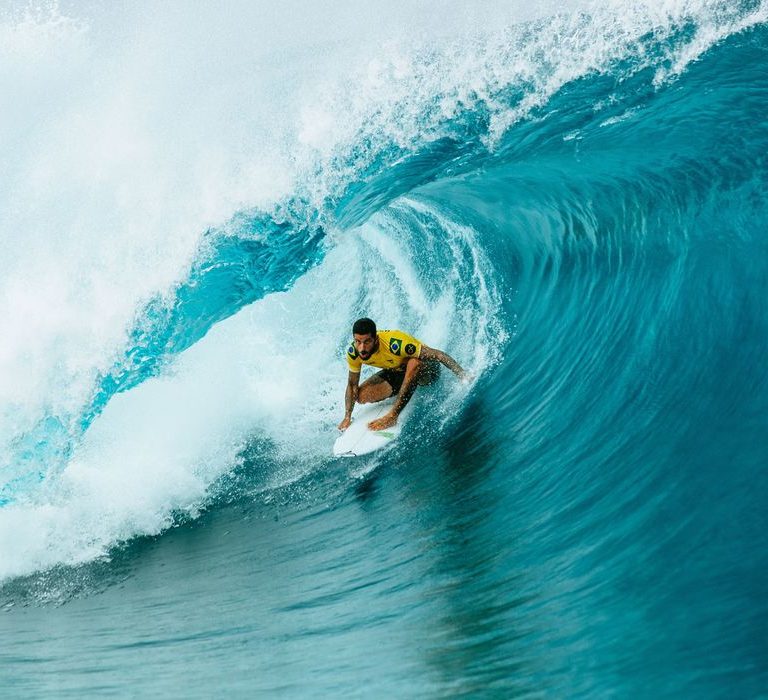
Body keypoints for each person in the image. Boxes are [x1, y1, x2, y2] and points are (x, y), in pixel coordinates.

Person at [338, 317, 468, 432]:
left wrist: (463, 375)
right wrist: (347, 416)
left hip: (427, 371)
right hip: (397, 371)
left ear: (376, 339)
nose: (362, 348)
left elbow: (438, 355)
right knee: (361, 396)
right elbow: (352, 384)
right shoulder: (354, 352)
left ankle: (393, 415)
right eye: (358, 341)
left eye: (367, 342)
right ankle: (402, 391)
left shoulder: (396, 344)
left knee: (413, 362)